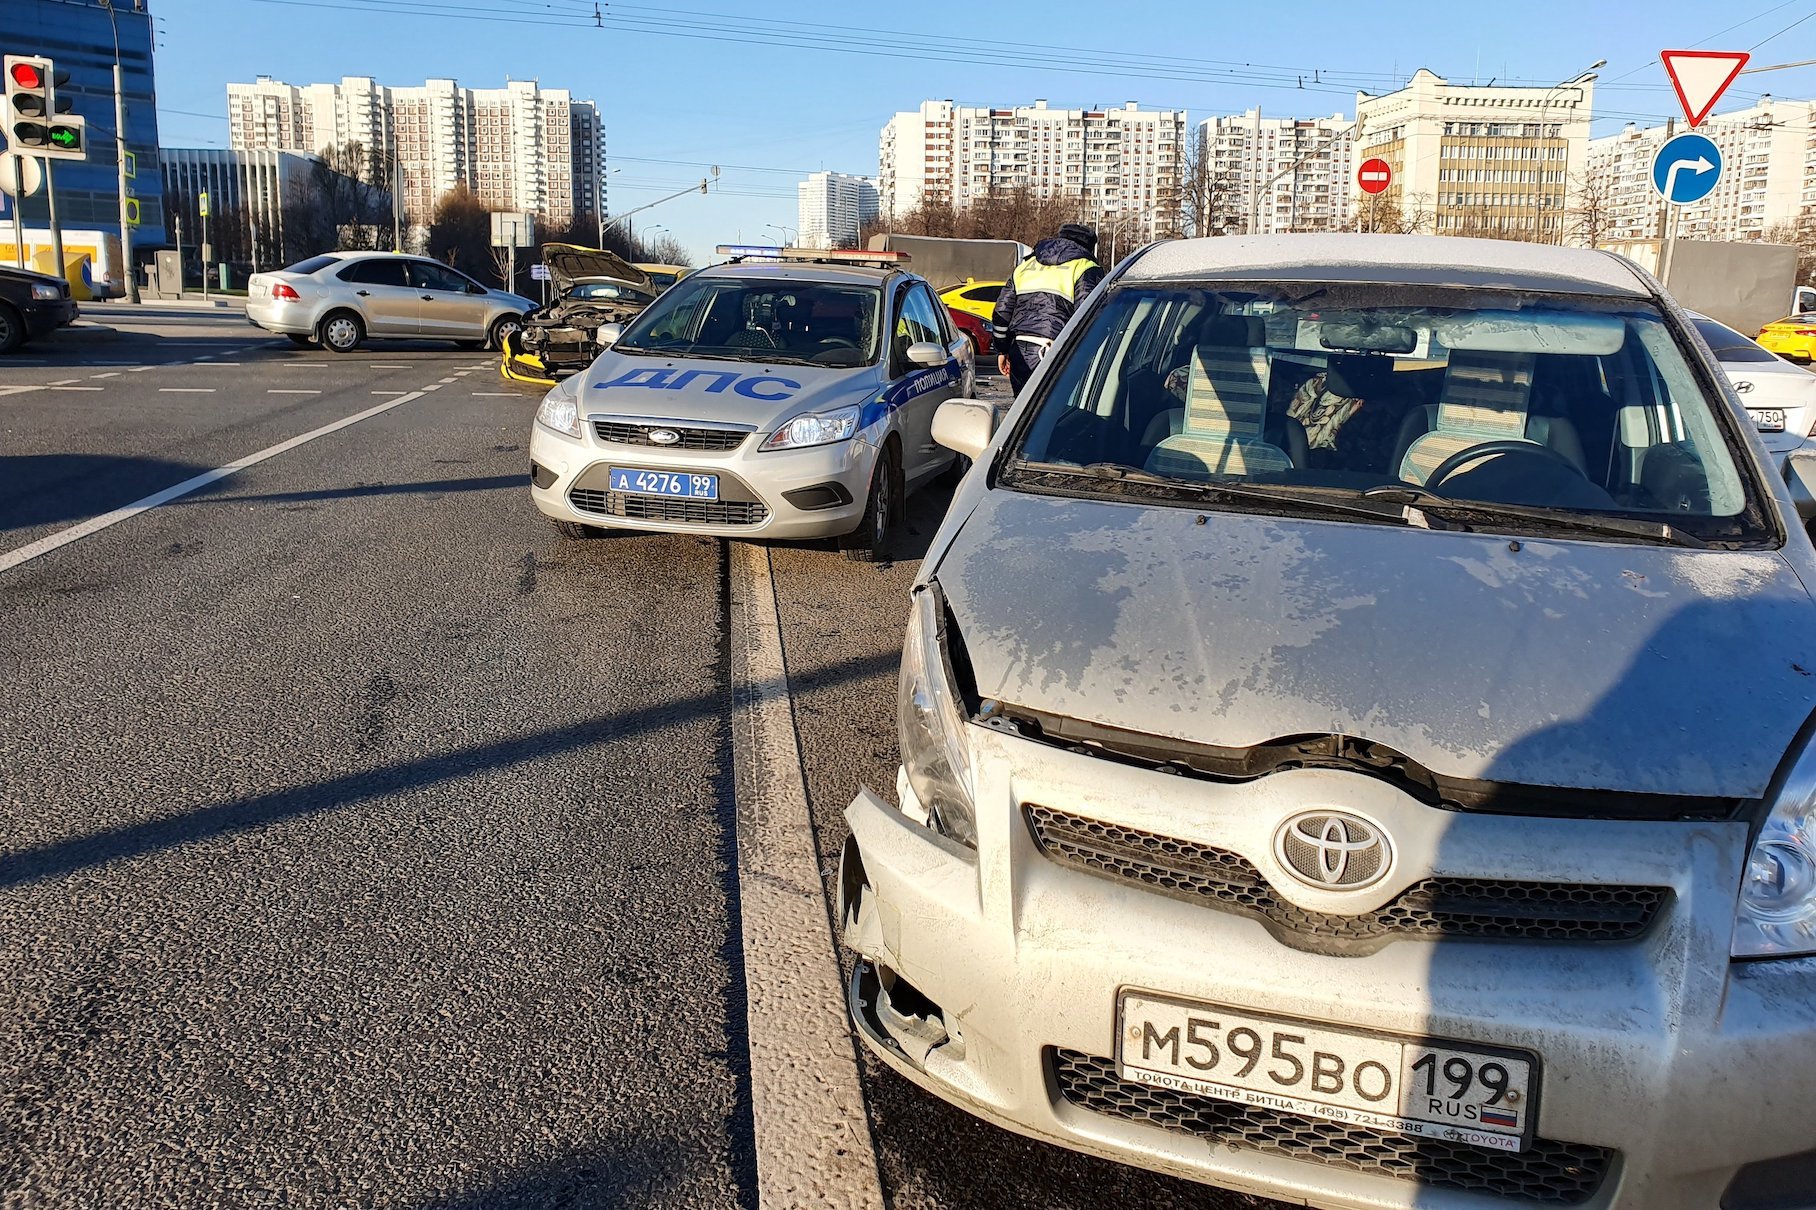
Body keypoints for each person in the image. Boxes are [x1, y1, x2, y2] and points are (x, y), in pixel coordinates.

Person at [991, 223, 1104, 391]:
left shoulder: (1026, 265)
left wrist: (1002, 349)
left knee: (1024, 412)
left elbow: (1002, 311)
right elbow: (1088, 318)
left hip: (1019, 351)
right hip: (1055, 352)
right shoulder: (1086, 268)